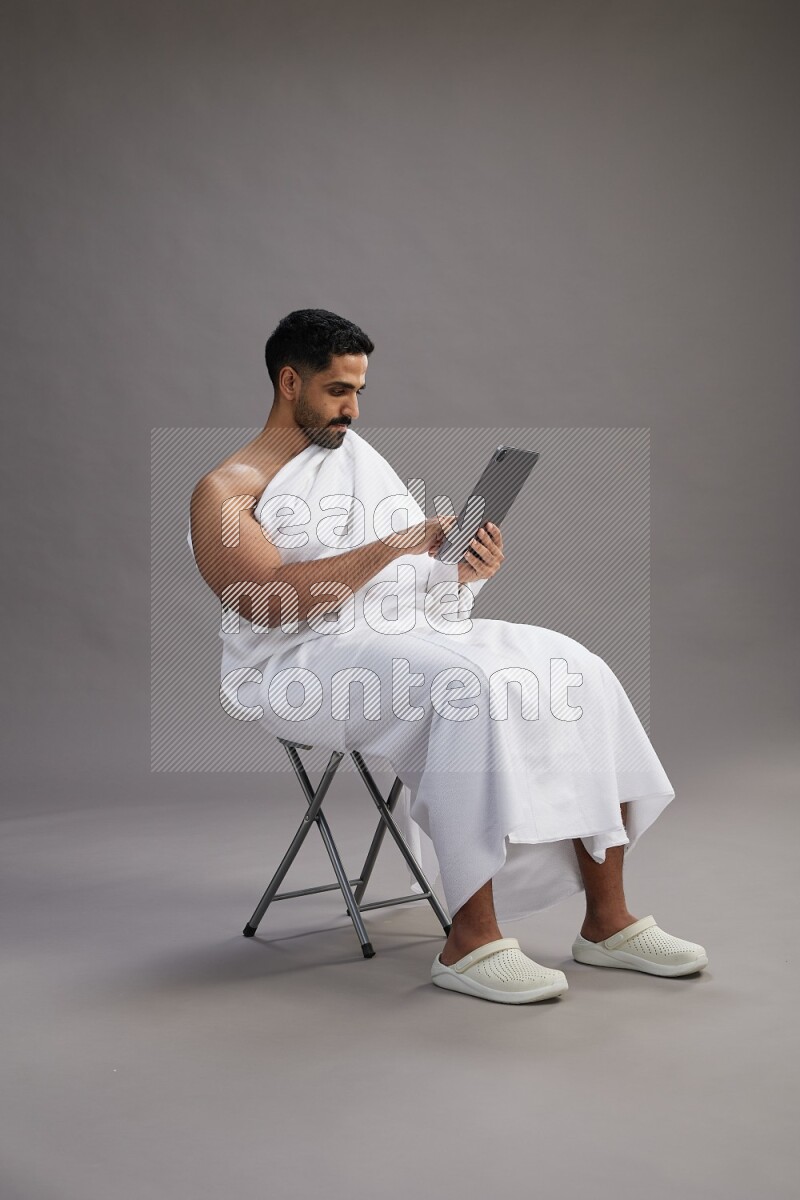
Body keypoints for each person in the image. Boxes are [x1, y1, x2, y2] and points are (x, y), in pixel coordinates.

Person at [188, 308, 708, 1005]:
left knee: (577, 668)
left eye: (360, 391)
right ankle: (470, 940)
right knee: (466, 687)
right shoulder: (225, 492)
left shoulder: (353, 461)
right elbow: (270, 602)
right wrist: (394, 545)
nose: (353, 410)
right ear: (290, 382)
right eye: (339, 391)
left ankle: (607, 922)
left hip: (393, 635)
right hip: (301, 665)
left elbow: (400, 591)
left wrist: (456, 573)